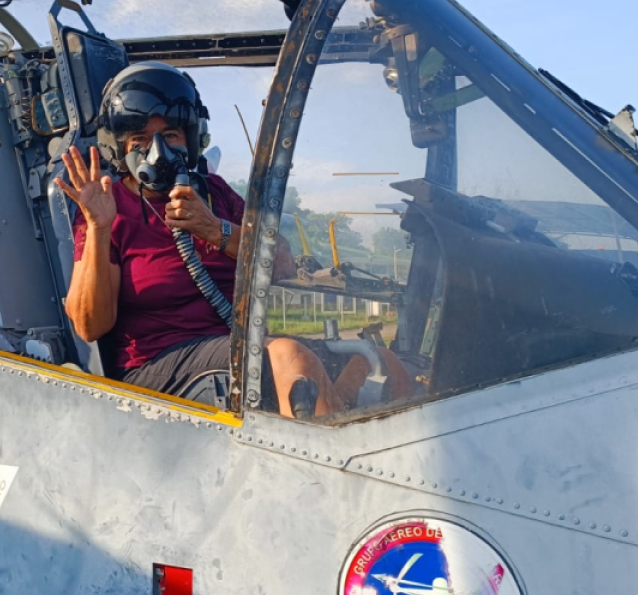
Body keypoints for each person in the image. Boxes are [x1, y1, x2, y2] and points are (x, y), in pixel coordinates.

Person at [55, 62, 410, 417]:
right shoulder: (109, 209)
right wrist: (99, 228)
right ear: (120, 149)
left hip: (240, 344)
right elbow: (89, 326)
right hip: (158, 362)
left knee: (378, 361)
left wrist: (216, 229)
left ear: (191, 139)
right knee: (289, 357)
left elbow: (281, 263)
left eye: (171, 135)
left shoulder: (216, 195)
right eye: (140, 140)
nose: (157, 150)